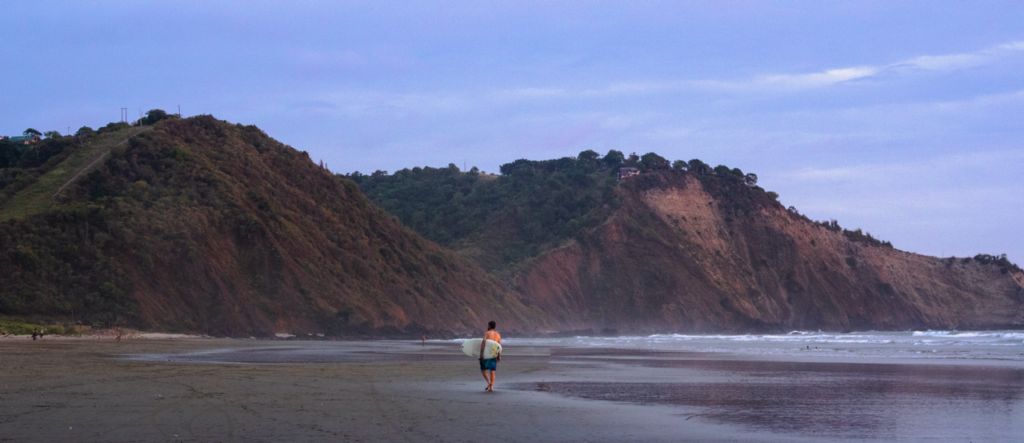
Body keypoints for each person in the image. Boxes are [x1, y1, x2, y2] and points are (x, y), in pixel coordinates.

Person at [479, 321, 501, 392]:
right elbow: (499, 346)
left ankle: (489, 381)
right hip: (494, 353)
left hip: (487, 353)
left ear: (489, 326)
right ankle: (491, 387)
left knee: (483, 369)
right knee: (492, 371)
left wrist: (481, 353)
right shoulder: (498, 335)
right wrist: (499, 355)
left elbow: (483, 343)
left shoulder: (486, 333)